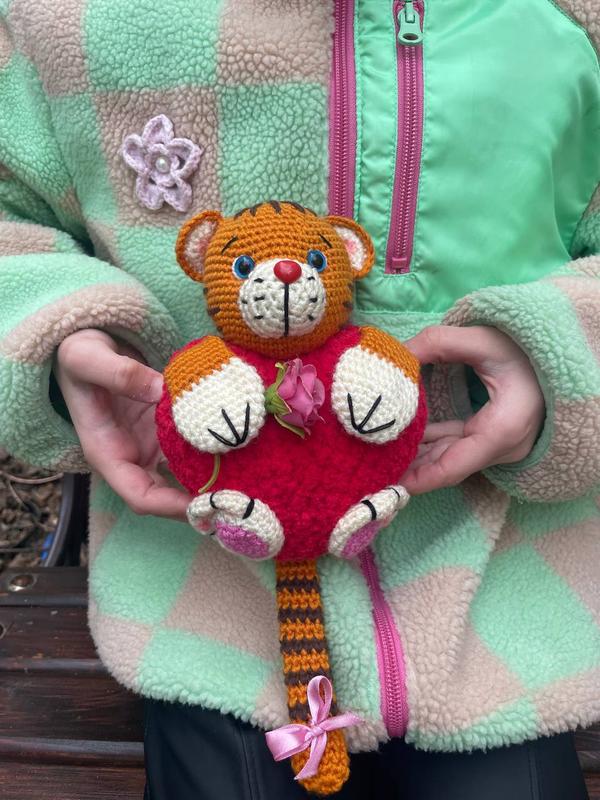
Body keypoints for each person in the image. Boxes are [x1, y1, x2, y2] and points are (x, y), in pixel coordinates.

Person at [0, 1, 598, 798]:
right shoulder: (56, 16)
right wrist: (56, 328)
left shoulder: (570, 21)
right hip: (199, 600)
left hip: (511, 604)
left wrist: (564, 349)